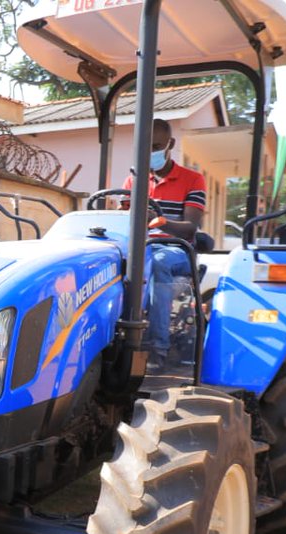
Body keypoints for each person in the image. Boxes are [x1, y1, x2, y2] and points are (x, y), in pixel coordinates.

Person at [122, 118, 207, 368]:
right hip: (141, 248)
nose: (150, 153)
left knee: (156, 262)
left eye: (156, 146)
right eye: (144, 147)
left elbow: (190, 227)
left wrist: (159, 222)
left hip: (176, 250)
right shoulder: (133, 181)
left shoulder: (193, 180)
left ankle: (157, 348)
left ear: (170, 144)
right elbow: (122, 220)